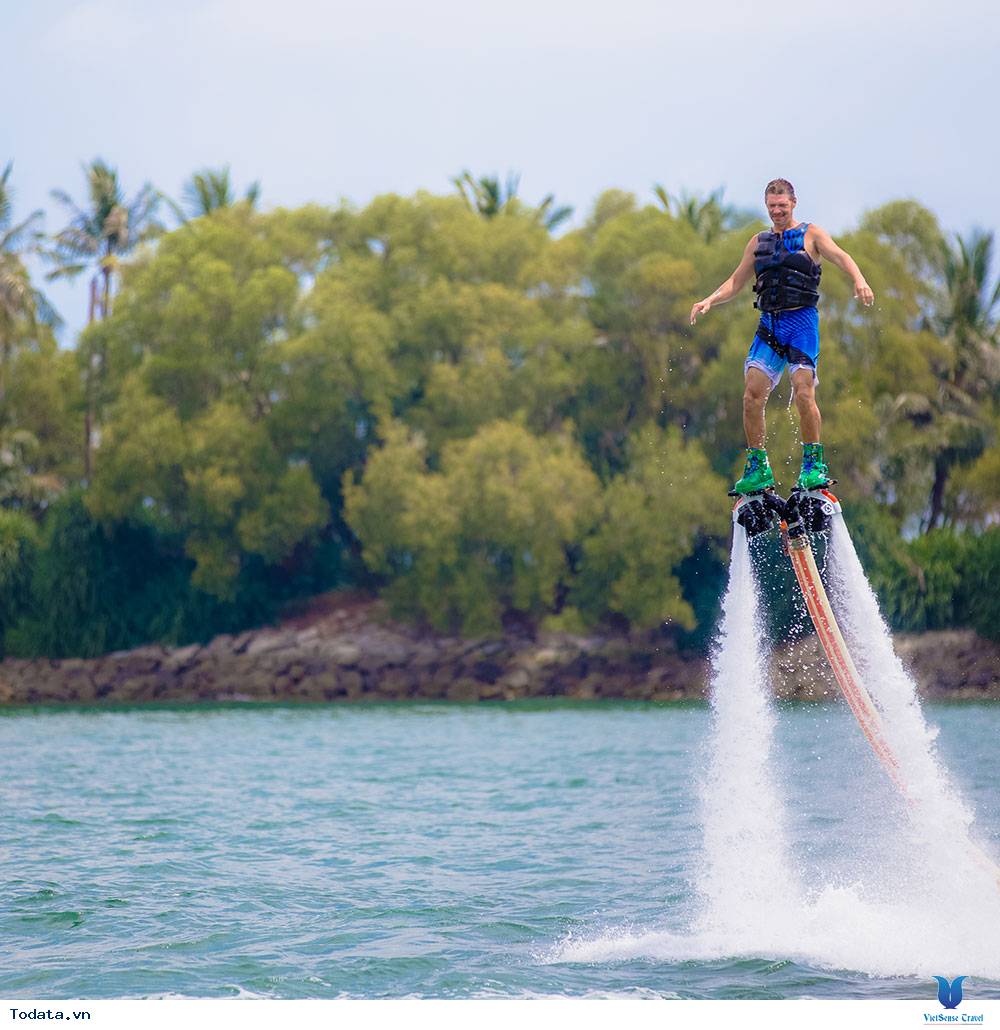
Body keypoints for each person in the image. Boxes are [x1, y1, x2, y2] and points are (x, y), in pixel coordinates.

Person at [689, 178, 874, 494]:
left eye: (782, 206)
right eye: (772, 206)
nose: (777, 211)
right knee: (751, 395)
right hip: (770, 324)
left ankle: (813, 464)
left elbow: (842, 256)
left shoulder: (811, 234)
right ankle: (758, 467)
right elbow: (735, 282)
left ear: (793, 203)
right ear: (767, 206)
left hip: (801, 323)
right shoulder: (758, 242)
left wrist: (859, 280)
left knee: (803, 391)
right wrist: (708, 300)